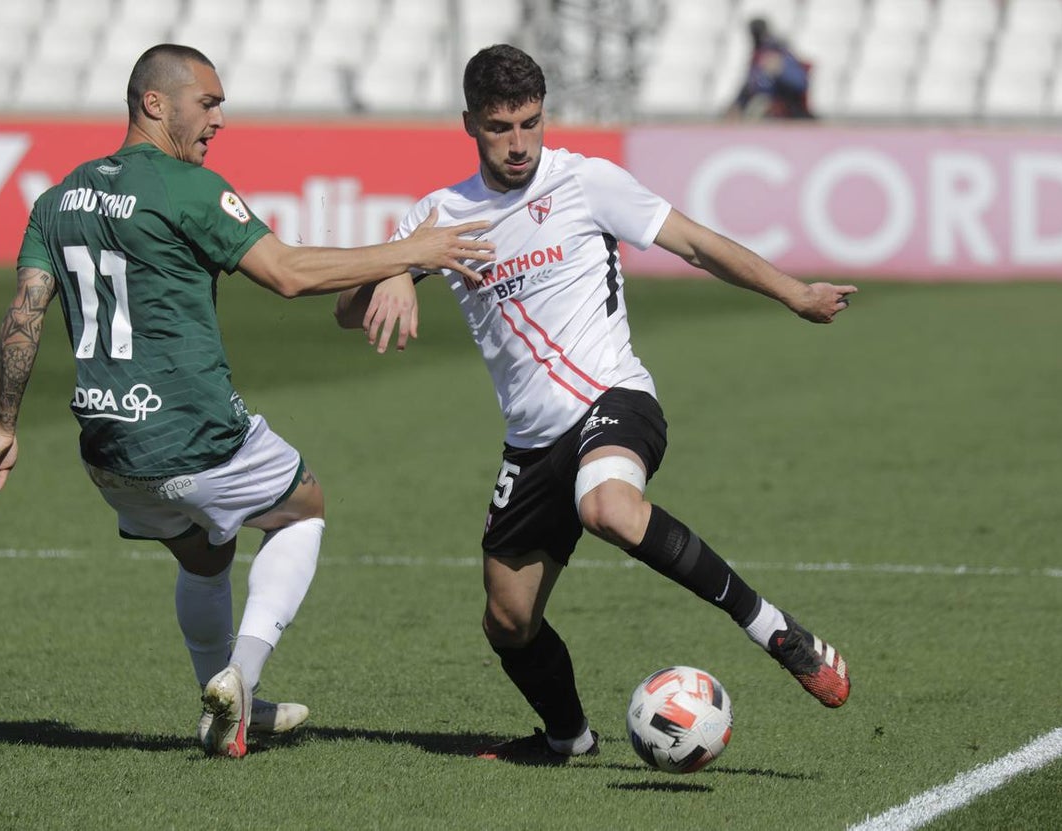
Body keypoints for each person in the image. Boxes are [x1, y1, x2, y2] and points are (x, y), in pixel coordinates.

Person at [0, 43, 494, 759]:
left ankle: (223, 702)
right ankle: (241, 676)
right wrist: (409, 252)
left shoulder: (58, 199)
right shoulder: (186, 189)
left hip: (109, 452)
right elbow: (288, 272)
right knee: (304, 508)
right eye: (207, 103)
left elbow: (24, 314)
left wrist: (4, 423)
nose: (219, 119)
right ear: (156, 103)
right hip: (193, 432)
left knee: (207, 558)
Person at [335, 44, 855, 763]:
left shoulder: (586, 181)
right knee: (508, 620)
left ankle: (774, 629)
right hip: (531, 442)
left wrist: (795, 293)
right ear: (469, 125)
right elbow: (345, 311)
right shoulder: (440, 215)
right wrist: (393, 266)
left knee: (606, 506)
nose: (518, 144)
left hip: (615, 399)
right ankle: (568, 737)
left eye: (530, 123)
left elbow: (696, 244)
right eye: (499, 127)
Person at [727, 17, 815, 120]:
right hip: (767, 110)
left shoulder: (780, 53)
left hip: (788, 113)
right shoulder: (758, 56)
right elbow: (750, 85)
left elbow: (800, 84)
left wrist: (781, 71)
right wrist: (737, 104)